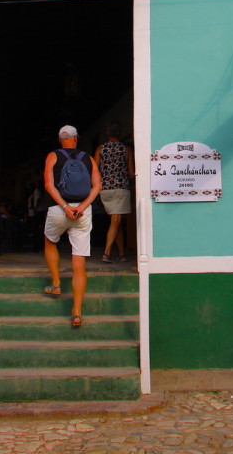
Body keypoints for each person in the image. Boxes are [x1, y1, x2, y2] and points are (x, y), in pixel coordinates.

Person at [42, 125, 101, 328]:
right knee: (79, 262)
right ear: (76, 138)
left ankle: (56, 284)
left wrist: (66, 207)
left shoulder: (53, 156)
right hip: (83, 211)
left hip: (59, 209)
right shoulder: (88, 158)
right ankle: (76, 312)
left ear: (60, 140)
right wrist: (82, 206)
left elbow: (49, 185)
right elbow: (97, 186)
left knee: (50, 241)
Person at [93, 122, 135, 263]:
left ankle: (122, 254)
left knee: (115, 221)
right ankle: (106, 253)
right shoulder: (126, 149)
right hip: (120, 187)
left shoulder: (100, 149)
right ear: (120, 132)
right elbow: (131, 172)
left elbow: (95, 170)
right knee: (116, 221)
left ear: (107, 133)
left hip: (105, 189)